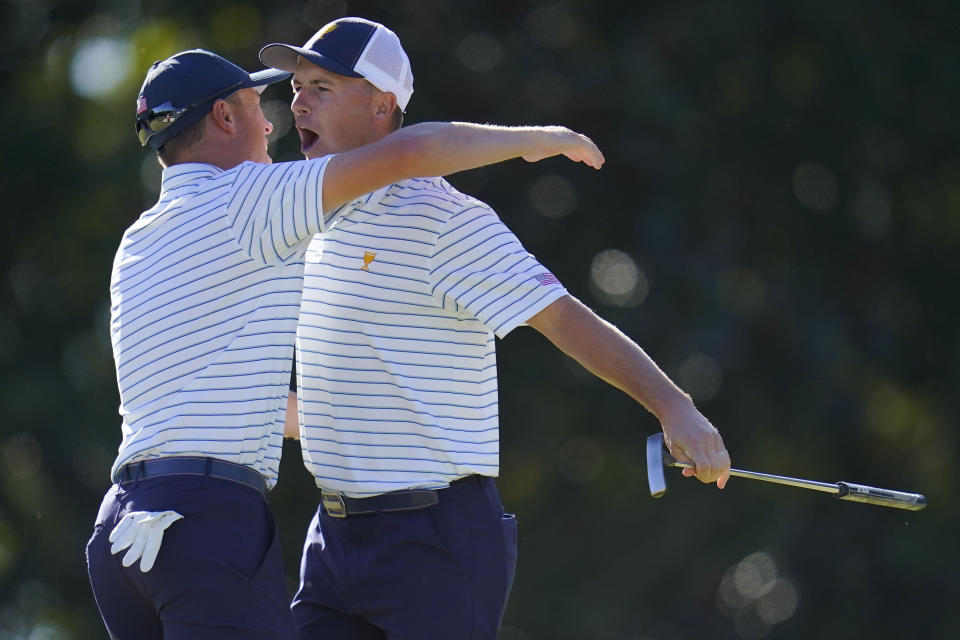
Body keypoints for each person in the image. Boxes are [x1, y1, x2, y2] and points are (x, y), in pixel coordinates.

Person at [84, 46, 605, 640]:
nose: (274, 122)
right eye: (259, 107)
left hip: (121, 535)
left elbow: (223, 399)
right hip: (203, 530)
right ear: (226, 118)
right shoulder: (250, 199)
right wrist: (536, 139)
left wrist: (372, 422)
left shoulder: (139, 240)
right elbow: (412, 153)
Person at [258, 16, 732, 640]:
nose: (297, 99)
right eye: (297, 85)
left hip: (432, 538)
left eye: (322, 86)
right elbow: (337, 404)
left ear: (382, 106)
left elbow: (563, 318)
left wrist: (675, 407)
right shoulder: (313, 217)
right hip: (334, 539)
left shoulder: (442, 217)